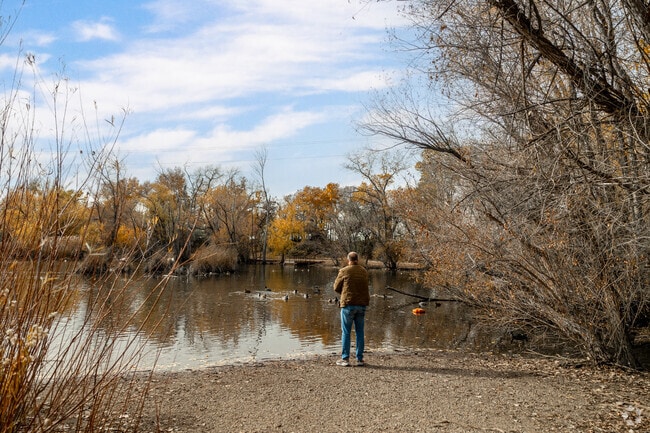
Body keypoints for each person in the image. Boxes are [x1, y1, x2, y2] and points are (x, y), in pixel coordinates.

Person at [333, 251, 370, 367]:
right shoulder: (364, 271)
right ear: (357, 260)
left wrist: (344, 293)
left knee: (346, 332)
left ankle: (345, 359)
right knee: (360, 332)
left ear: (348, 260)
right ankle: (359, 359)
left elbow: (336, 287)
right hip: (361, 304)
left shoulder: (344, 271)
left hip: (348, 304)